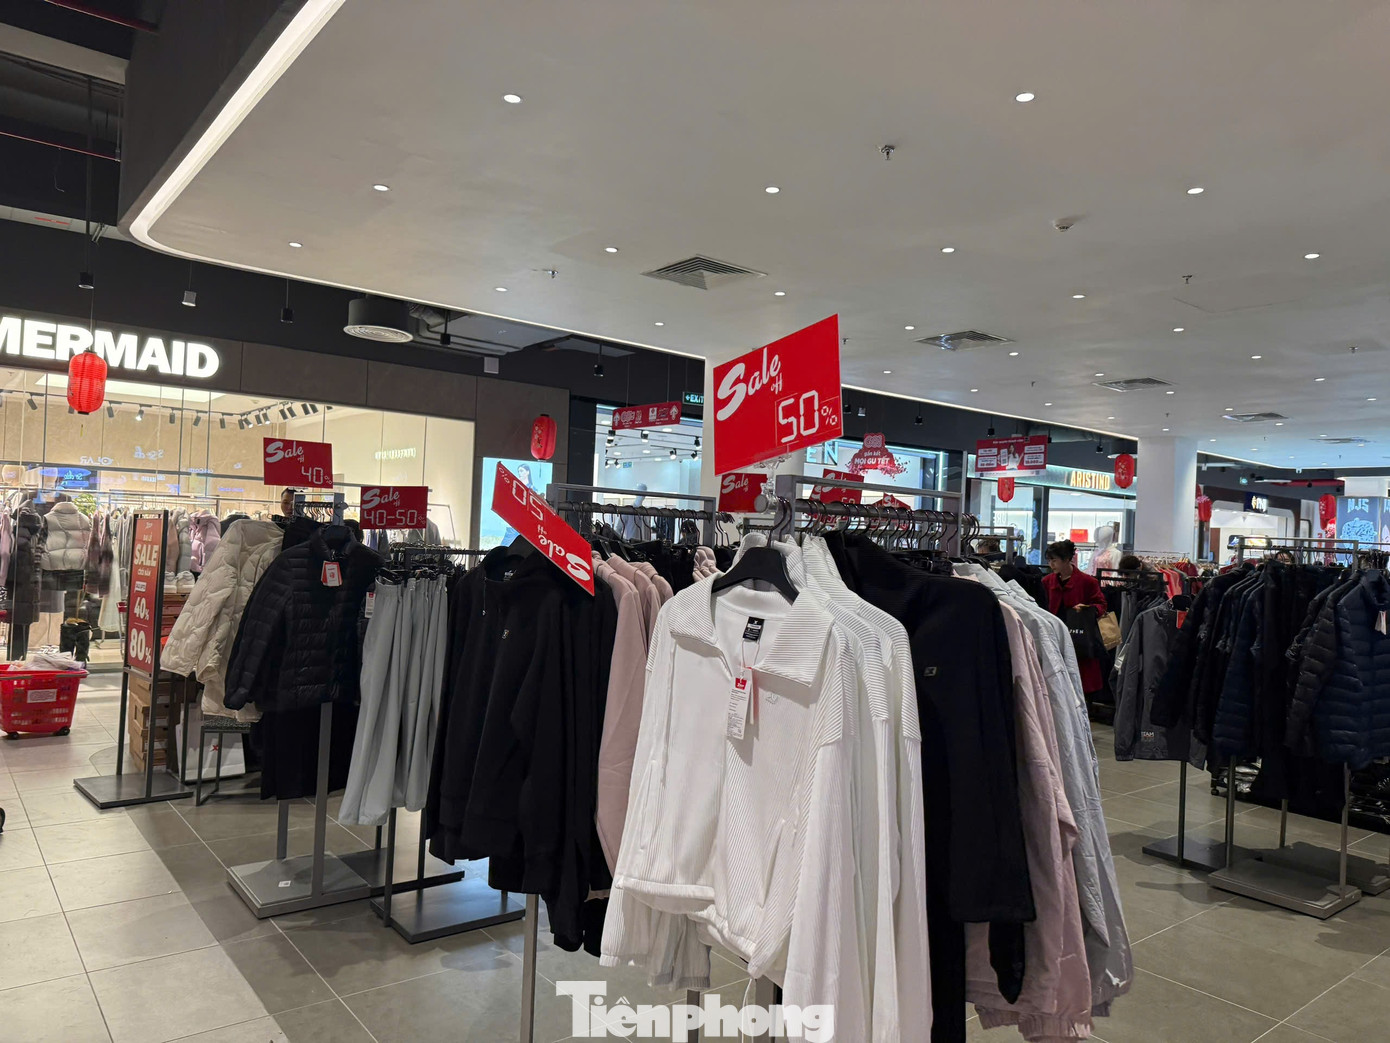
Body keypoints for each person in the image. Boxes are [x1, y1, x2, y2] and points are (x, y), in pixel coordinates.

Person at [1042, 539, 1109, 696]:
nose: (1051, 564)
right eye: (1049, 560)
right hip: (1054, 634)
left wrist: (1088, 609)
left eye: (1054, 560)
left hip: (1079, 635)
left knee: (1081, 679)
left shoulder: (1088, 581)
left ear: (1066, 559)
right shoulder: (1047, 581)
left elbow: (1101, 605)